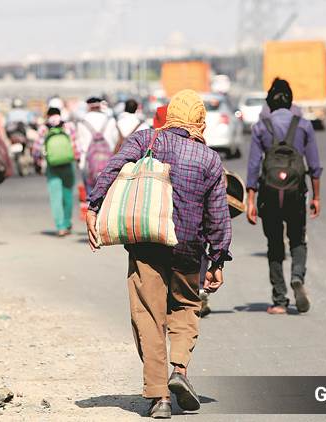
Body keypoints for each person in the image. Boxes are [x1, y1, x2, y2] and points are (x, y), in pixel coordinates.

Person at [86, 89, 232, 418]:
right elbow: (218, 216)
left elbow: (112, 169)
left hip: (147, 243)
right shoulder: (209, 159)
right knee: (186, 307)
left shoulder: (146, 139)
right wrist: (218, 260)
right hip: (188, 247)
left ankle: (159, 396)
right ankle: (179, 369)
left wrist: (93, 207)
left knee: (148, 317)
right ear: (200, 121)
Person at [245, 78, 323, 315]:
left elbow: (253, 166)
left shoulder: (261, 127)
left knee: (274, 244)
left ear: (269, 102)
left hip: (269, 194)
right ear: (291, 101)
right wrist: (316, 197)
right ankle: (297, 276)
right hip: (295, 193)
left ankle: (279, 300)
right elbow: (314, 165)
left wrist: (250, 201)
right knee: (297, 239)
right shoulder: (304, 125)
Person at [37, 107, 77, 236]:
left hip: (52, 165)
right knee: (68, 195)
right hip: (68, 164)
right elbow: (76, 145)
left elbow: (37, 149)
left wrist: (38, 164)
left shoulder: (43, 128)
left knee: (55, 197)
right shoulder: (69, 126)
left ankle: (60, 227)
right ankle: (67, 222)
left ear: (47, 115)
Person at [75, 97, 119, 193]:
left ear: (88, 106)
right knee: (108, 192)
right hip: (108, 160)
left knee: (90, 192)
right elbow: (116, 139)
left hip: (87, 161)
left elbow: (79, 143)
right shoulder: (110, 120)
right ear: (100, 106)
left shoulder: (82, 122)